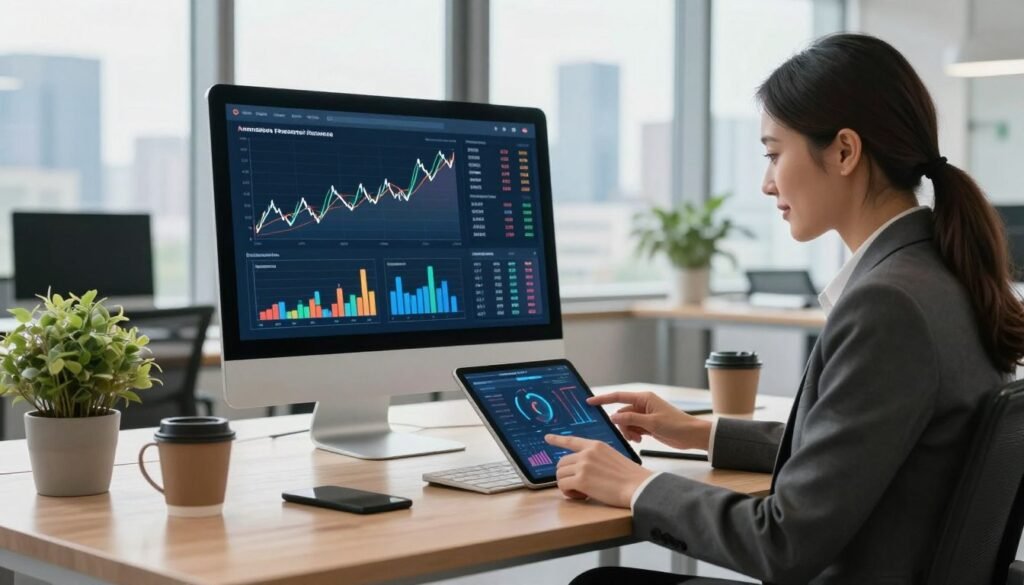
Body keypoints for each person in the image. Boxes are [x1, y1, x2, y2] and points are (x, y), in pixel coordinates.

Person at [545, 33, 1024, 585]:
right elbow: (862, 450)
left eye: (774, 154)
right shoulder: (944, 276)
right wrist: (703, 433)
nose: (766, 182)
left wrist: (634, 484)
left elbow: (784, 543)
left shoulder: (888, 305)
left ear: (844, 151)